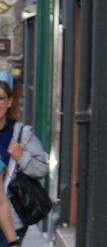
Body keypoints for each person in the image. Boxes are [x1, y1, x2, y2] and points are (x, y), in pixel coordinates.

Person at [0, 81, 48, 247]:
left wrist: (22, 157)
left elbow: (42, 169)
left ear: (10, 101)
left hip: (14, 218)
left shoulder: (22, 134)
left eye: (0, 98)